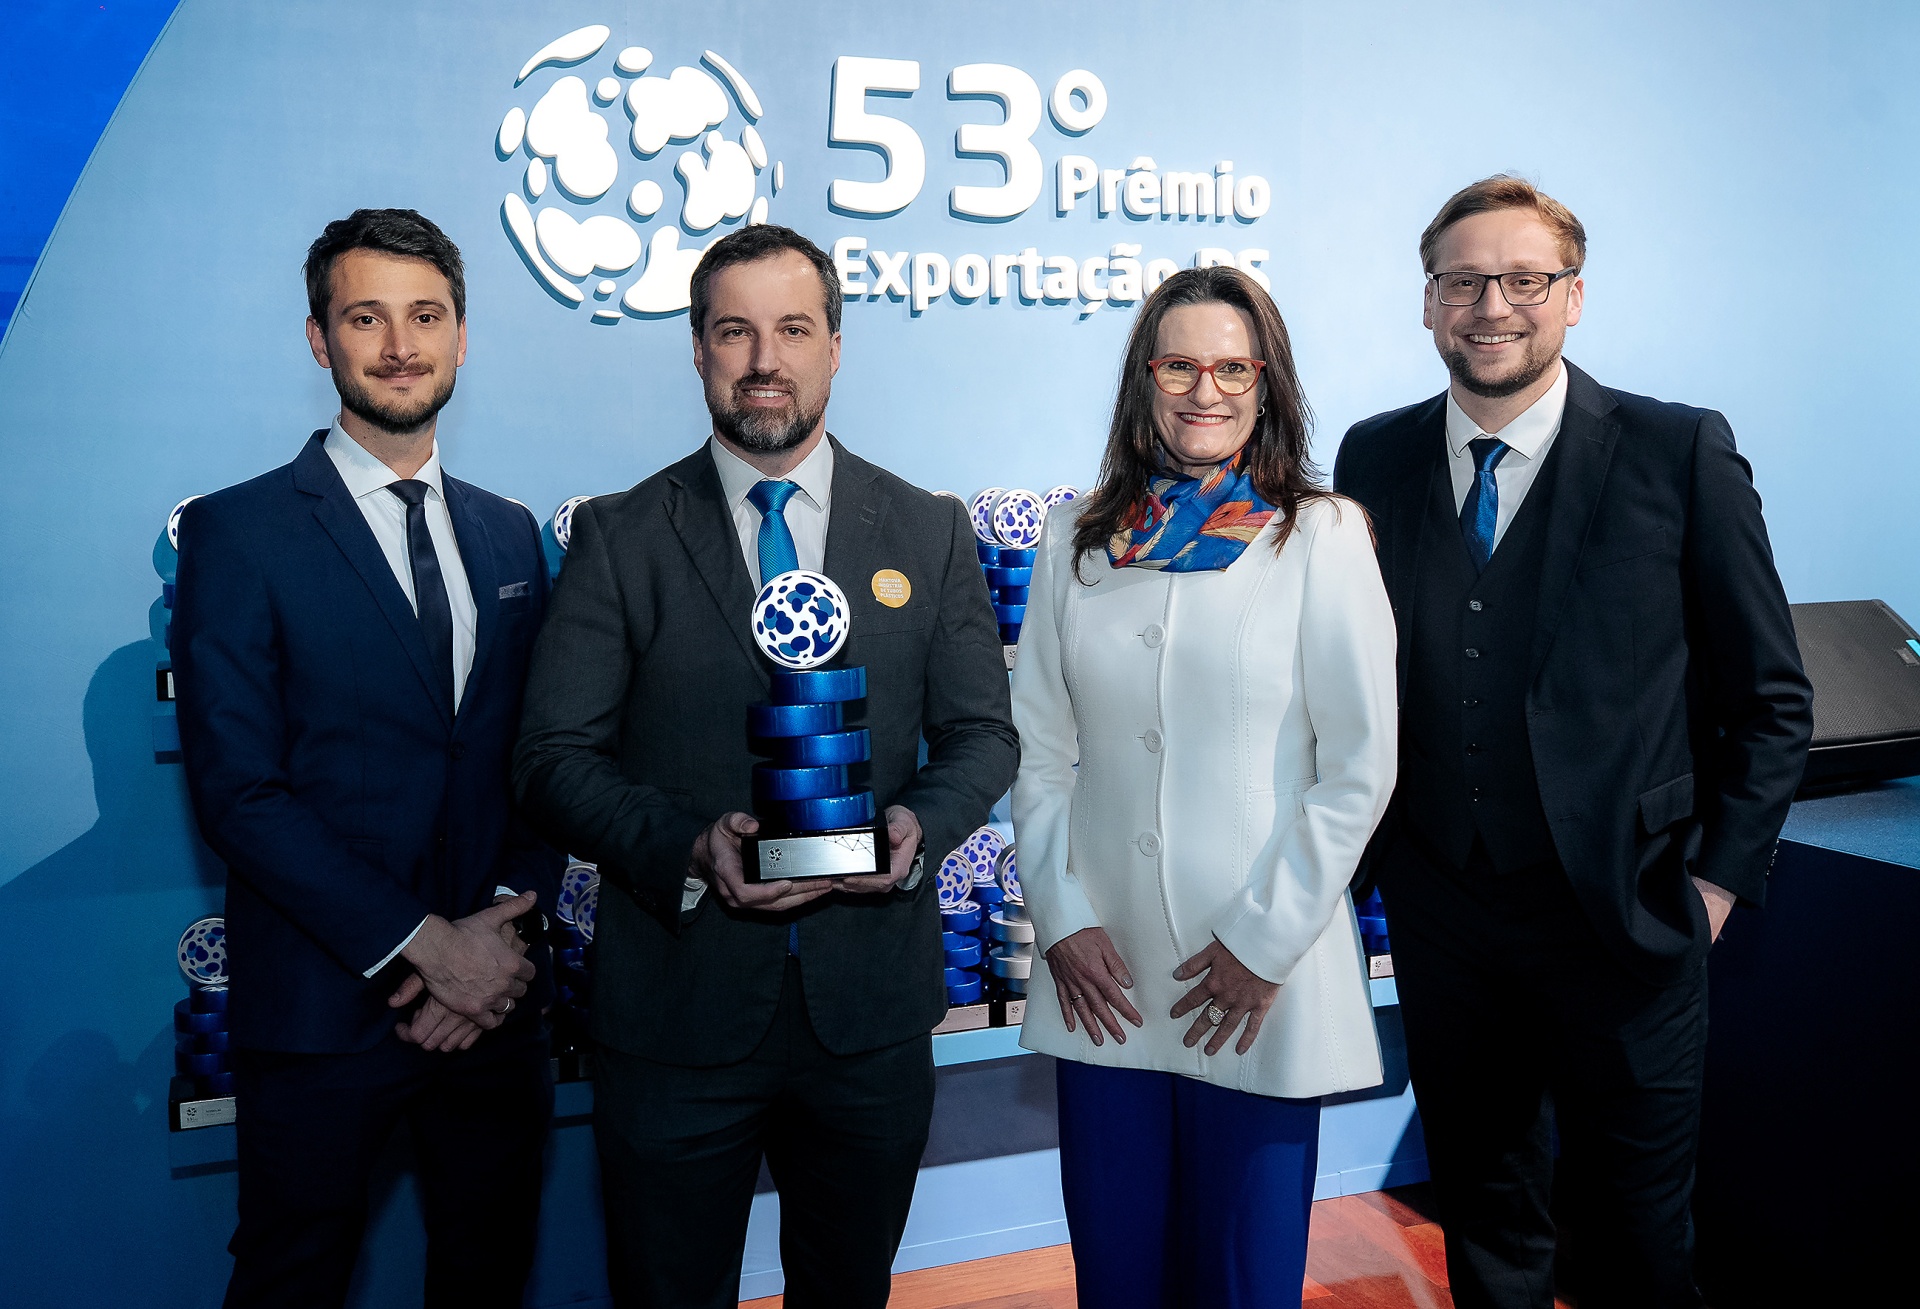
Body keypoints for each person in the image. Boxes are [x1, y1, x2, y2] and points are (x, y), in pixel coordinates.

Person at [512, 223, 1018, 1309]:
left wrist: (918, 826)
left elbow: (984, 735)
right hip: (676, 1013)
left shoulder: (928, 531)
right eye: (734, 332)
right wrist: (689, 848)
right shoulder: (621, 535)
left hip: (869, 1013)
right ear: (698, 350)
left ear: (835, 346)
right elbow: (551, 758)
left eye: (792, 329)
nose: (764, 360)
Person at [1332, 176, 1814, 1308]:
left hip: (1630, 917)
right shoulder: (1373, 458)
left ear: (1574, 296)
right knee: (1486, 1221)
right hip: (1444, 917)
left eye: (1524, 279)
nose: (1491, 305)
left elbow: (1773, 696)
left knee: (1637, 1239)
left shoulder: (1676, 449)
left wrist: (1713, 887)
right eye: (1462, 281)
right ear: (1427, 300)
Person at [172, 208, 562, 1309]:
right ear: (319, 339)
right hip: (323, 1013)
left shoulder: (509, 531)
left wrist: (492, 944)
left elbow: (538, 759)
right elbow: (241, 793)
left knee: (488, 1278)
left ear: (462, 337)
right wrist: (426, 946)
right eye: (365, 318)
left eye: (426, 316)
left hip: (493, 1011)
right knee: (292, 1283)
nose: (400, 345)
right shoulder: (240, 532)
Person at [1012, 265, 1399, 1307]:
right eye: (1179, 365)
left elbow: (1359, 767)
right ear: (1143, 379)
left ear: (1268, 386)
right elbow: (1037, 753)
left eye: (1234, 368)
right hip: (1106, 979)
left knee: (1244, 1282)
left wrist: (1263, 942)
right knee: (1119, 1279)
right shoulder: (1074, 538)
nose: (1205, 391)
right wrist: (1061, 918)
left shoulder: (1320, 535)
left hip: (1258, 981)